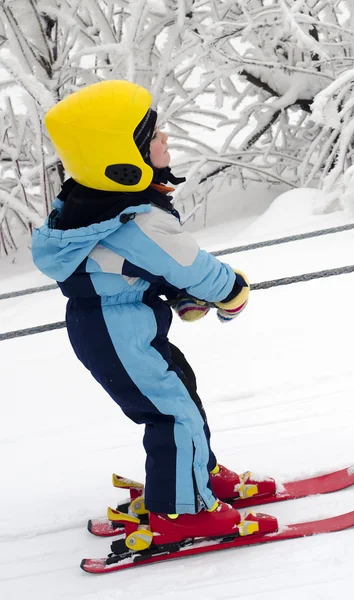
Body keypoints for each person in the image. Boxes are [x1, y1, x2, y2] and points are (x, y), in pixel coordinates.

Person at [31, 80, 259, 550]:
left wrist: (176, 296)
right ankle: (181, 513)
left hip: (116, 326)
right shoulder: (135, 219)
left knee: (180, 396)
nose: (166, 141)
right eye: (155, 136)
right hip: (119, 331)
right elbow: (188, 264)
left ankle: (197, 477)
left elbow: (129, 267)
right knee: (172, 414)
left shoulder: (94, 207)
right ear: (122, 155)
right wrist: (230, 292)